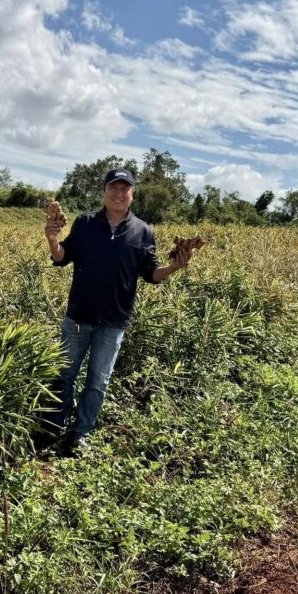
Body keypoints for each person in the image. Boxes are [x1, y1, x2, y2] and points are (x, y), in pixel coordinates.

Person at [41, 167, 194, 455]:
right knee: (63, 374)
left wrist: (174, 266)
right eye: (113, 187)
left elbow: (151, 274)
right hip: (78, 317)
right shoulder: (85, 223)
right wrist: (51, 239)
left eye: (125, 189)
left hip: (114, 322)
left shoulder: (143, 231)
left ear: (132, 195)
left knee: (98, 381)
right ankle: (53, 428)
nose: (118, 194)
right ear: (104, 192)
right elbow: (62, 257)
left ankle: (80, 433)